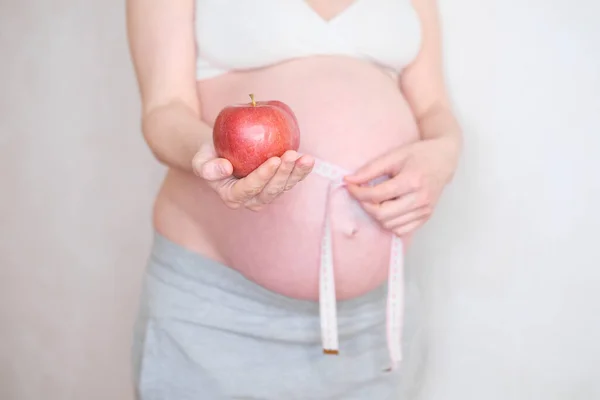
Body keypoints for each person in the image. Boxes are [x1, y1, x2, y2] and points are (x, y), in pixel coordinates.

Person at [126, 0, 462, 398]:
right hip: (220, 313)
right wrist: (212, 157)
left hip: (374, 319)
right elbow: (164, 110)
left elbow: (434, 106)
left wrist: (444, 152)